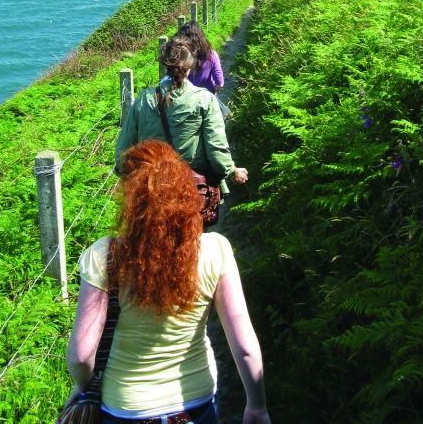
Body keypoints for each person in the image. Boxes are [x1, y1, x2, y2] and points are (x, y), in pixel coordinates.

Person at [66, 140, 271, 424]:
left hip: (125, 408)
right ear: (185, 191)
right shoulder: (215, 249)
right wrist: (257, 406)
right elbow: (244, 345)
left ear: (130, 198)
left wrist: (83, 384)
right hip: (195, 403)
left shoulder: (105, 255)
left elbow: (80, 356)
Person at [115, 35, 247, 188]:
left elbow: (124, 149)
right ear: (191, 65)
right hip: (192, 187)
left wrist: (124, 173)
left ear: (166, 64)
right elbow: (216, 149)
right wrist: (232, 171)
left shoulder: (144, 99)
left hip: (152, 185)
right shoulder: (205, 99)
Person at [175, 21, 224, 95]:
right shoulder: (211, 55)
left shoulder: (180, 56)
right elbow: (219, 83)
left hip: (183, 98)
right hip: (206, 98)